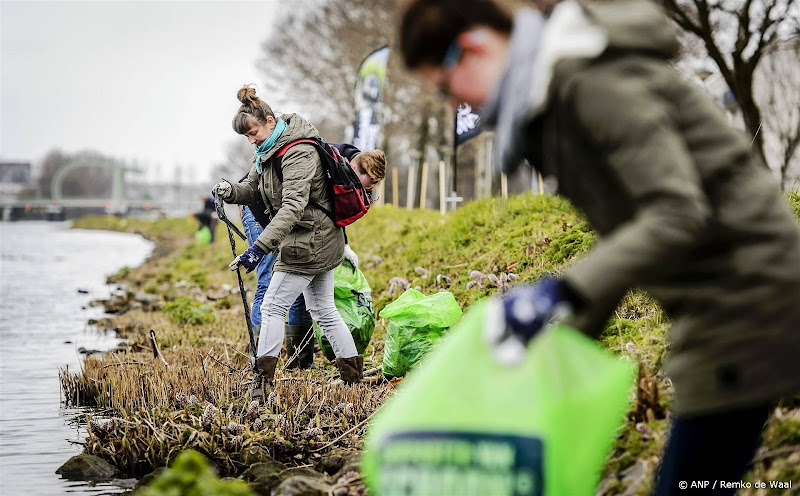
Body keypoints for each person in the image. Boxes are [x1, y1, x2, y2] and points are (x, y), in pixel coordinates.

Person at [398, 0, 800, 494]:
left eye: (443, 88)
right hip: (725, 297)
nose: (450, 105)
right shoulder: (552, 104)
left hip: (747, 293)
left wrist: (562, 291)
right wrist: (562, 342)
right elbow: (628, 237)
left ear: (473, 48)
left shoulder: (590, 82)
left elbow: (675, 213)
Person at [213, 86, 367, 399]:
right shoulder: (268, 150)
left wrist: (258, 249)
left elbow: (292, 207)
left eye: (253, 133)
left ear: (269, 121)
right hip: (317, 238)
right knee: (324, 309)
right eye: (247, 136)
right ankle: (353, 381)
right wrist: (230, 191)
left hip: (309, 241)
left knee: (272, 306)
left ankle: (261, 385)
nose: (251, 140)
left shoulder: (298, 151)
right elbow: (253, 190)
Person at [239, 143, 386, 369]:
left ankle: (300, 360)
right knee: (269, 284)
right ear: (353, 166)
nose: (366, 189)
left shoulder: (350, 173)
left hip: (298, 218)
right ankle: (259, 361)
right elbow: (301, 204)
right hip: (261, 209)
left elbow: (329, 211)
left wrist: (342, 245)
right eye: (366, 183)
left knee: (309, 297)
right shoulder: (325, 159)